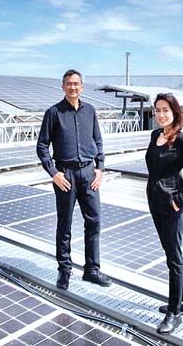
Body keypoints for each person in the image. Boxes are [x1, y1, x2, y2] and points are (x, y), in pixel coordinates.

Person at [37, 69, 112, 291]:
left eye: (76, 84)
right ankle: (64, 270)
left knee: (94, 222)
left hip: (89, 174)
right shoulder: (53, 113)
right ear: (63, 87)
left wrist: (100, 169)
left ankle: (92, 270)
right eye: (69, 84)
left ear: (82, 87)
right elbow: (42, 146)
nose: (73, 87)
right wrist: (54, 173)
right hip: (65, 175)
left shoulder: (90, 111)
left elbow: (98, 141)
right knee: (65, 223)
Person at [146, 92, 183, 335]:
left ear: (175, 112)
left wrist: (180, 200)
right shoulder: (155, 135)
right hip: (155, 203)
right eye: (157, 110)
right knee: (172, 253)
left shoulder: (182, 139)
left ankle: (174, 312)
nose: (160, 115)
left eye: (165, 110)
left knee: (173, 259)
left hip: (173, 207)